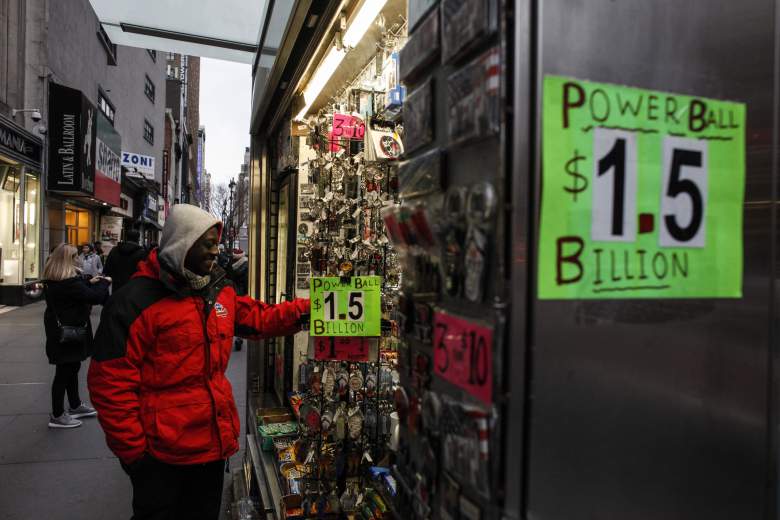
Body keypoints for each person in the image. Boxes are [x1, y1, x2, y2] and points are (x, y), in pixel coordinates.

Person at [88, 205, 309, 520]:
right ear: (182, 243)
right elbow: (109, 384)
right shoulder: (134, 302)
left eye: (215, 242)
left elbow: (259, 318)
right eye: (206, 243)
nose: (215, 250)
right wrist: (135, 455)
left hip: (211, 449)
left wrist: (309, 309)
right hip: (161, 458)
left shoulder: (218, 290)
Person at [43, 244, 111, 428]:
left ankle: (74, 404)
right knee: (65, 371)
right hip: (69, 331)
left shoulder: (55, 281)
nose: (78, 259)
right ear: (67, 260)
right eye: (74, 257)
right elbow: (94, 298)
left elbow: (75, 291)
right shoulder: (69, 283)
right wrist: (105, 282)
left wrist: (89, 282)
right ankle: (57, 415)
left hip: (61, 330)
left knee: (71, 367)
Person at [228, 249, 249, 351]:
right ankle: (240, 336)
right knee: (241, 316)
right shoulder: (246, 266)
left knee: (234, 316)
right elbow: (247, 283)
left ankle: (235, 335)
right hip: (243, 295)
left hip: (232, 294)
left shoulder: (230, 265)